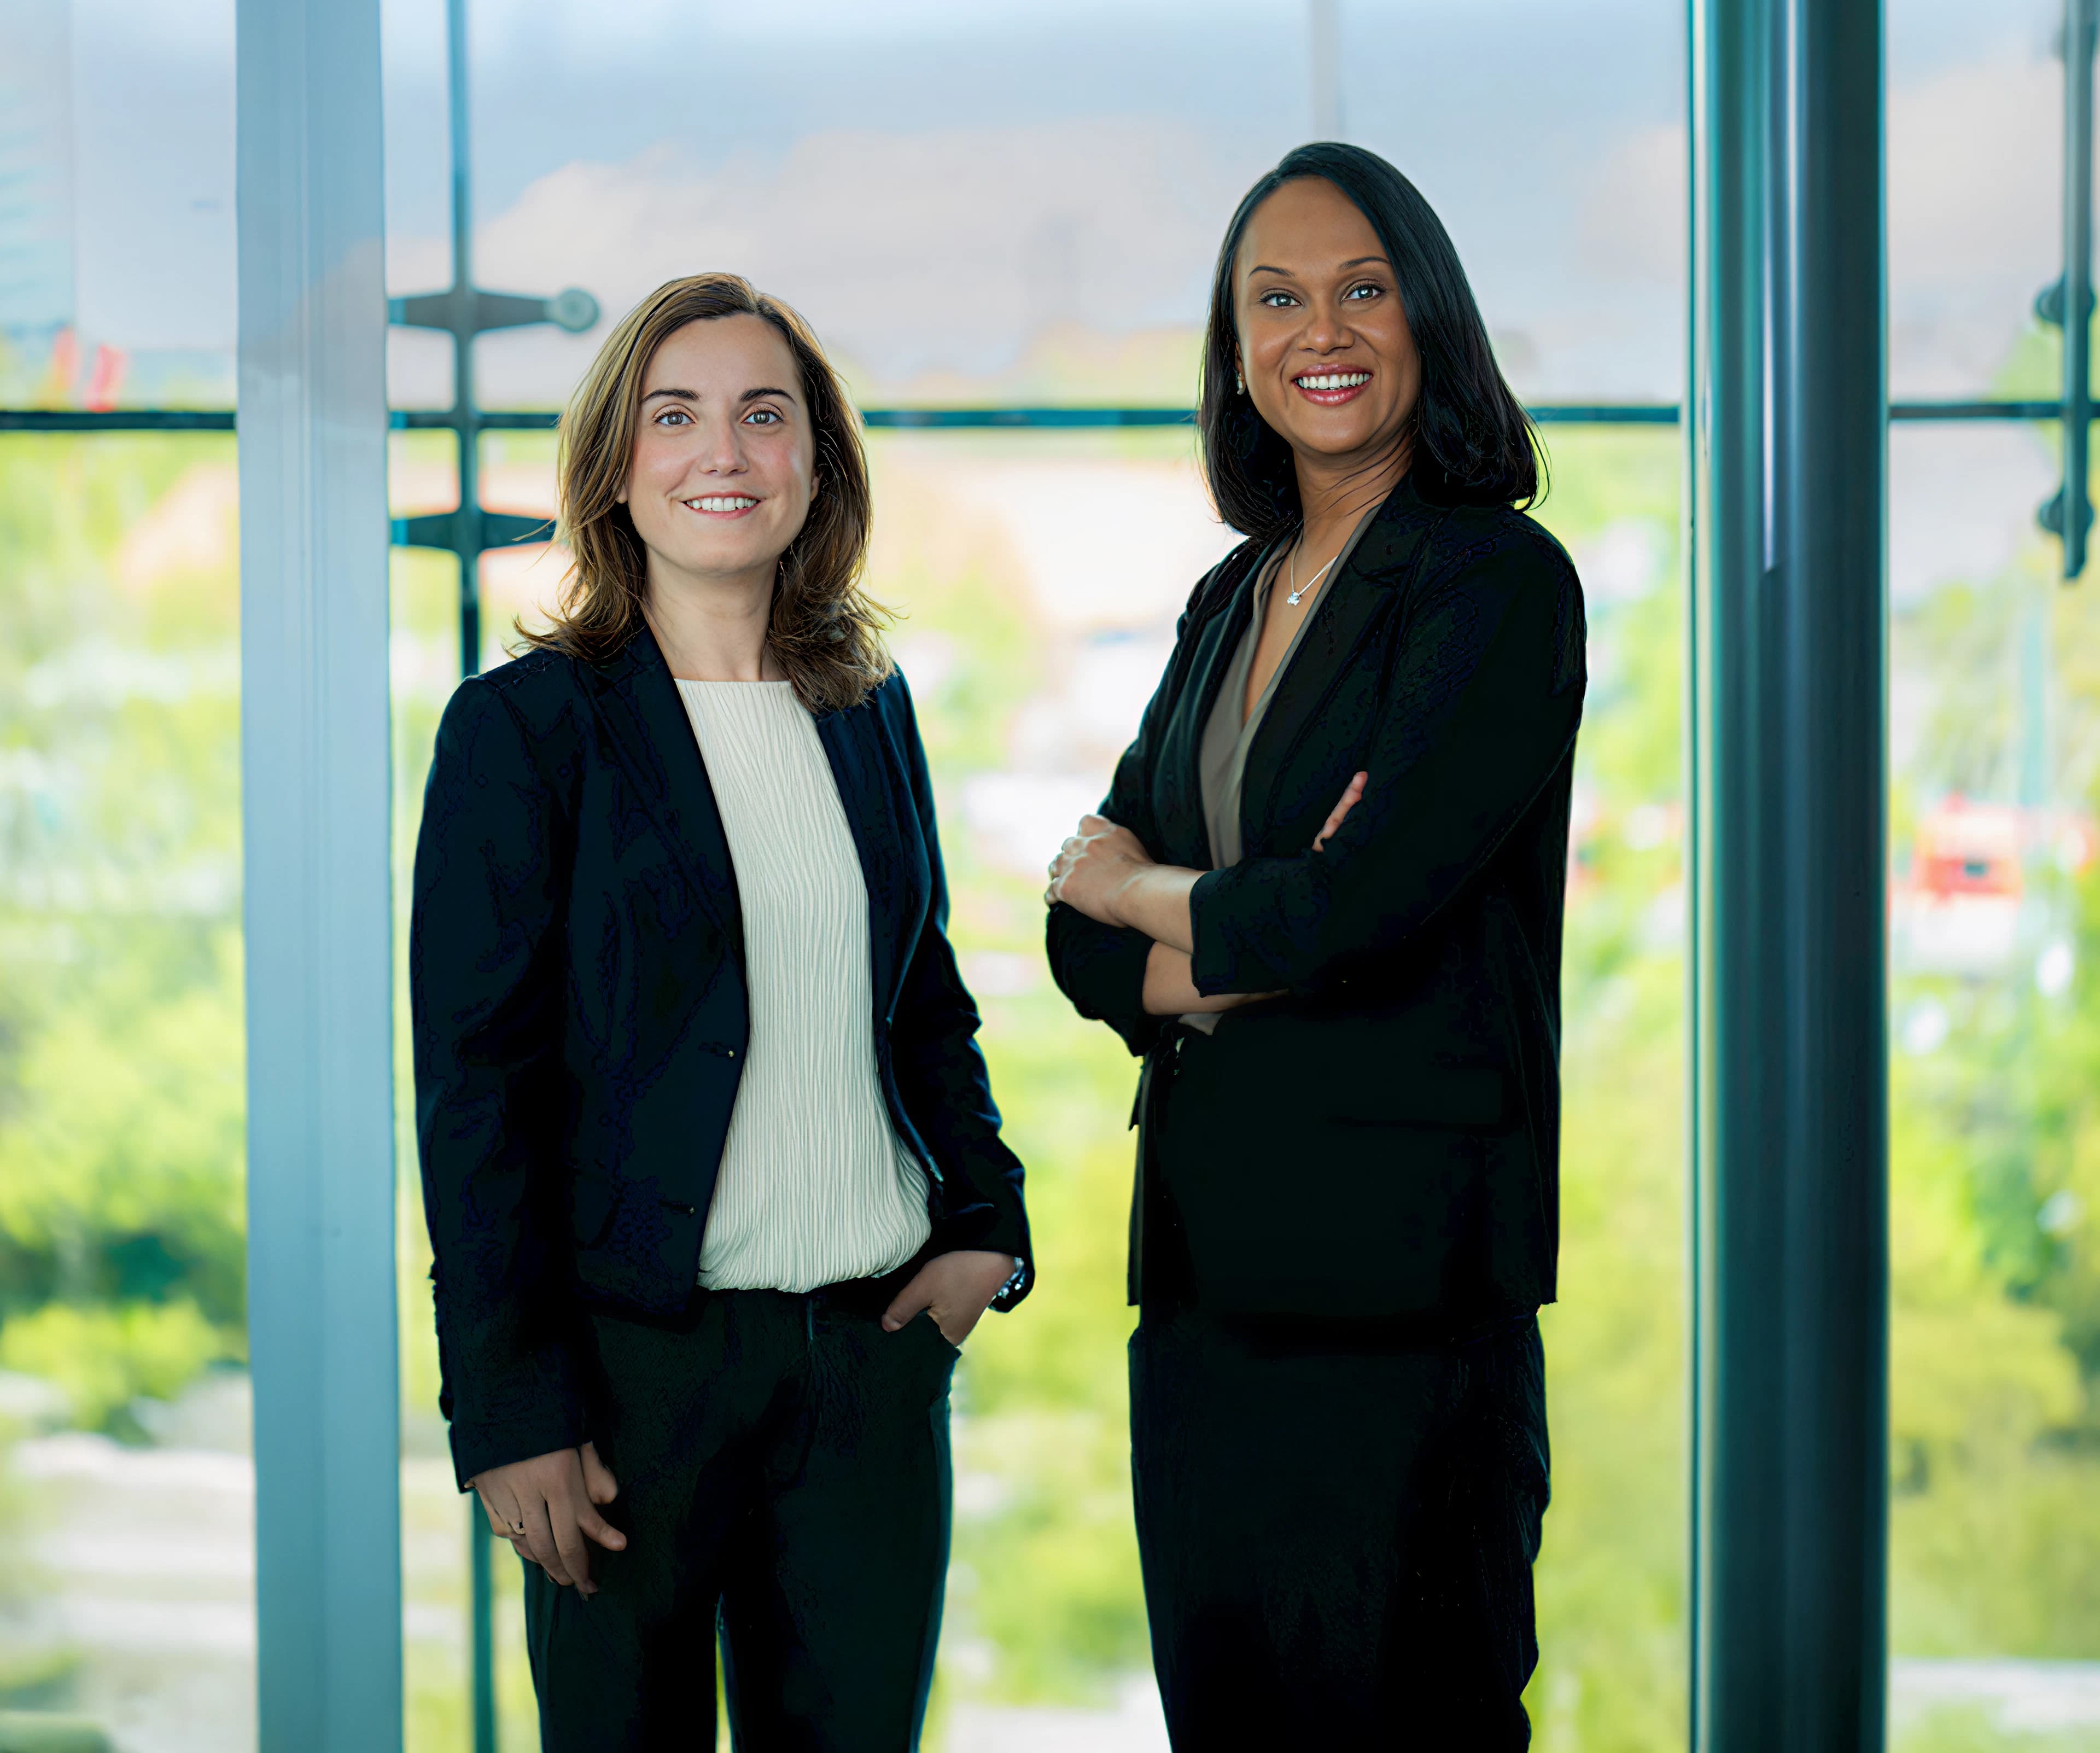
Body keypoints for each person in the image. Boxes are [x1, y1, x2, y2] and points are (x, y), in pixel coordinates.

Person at [412, 272, 1030, 1752]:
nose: (724, 454)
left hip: (868, 1366)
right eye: (675, 416)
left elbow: (921, 996)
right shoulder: (523, 731)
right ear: (616, 465)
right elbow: (475, 1093)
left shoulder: (866, 705)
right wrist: (509, 1411)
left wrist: (985, 1227)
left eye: (765, 415)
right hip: (633, 1384)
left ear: (817, 458)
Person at [1045, 142, 1585, 1746]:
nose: (1320, 332)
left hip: (1403, 1301)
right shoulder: (1233, 594)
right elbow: (1078, 944)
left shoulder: (1494, 584)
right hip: (1208, 1292)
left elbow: (1352, 914)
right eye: (1275, 299)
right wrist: (1229, 911)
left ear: (1429, 316)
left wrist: (1151, 892)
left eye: (1362, 289)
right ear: (1236, 345)